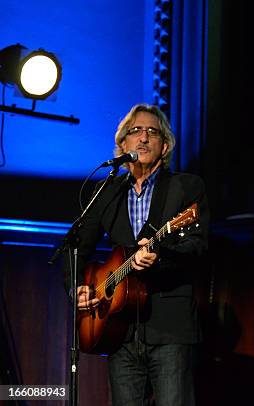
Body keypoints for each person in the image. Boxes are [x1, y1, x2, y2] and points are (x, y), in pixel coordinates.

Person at [63, 104, 209, 405]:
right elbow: (74, 247)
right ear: (122, 145)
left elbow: (198, 247)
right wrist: (79, 287)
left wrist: (160, 257)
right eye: (135, 131)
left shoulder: (186, 187)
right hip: (118, 331)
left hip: (169, 329)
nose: (142, 138)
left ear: (164, 145)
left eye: (151, 132)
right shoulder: (107, 193)